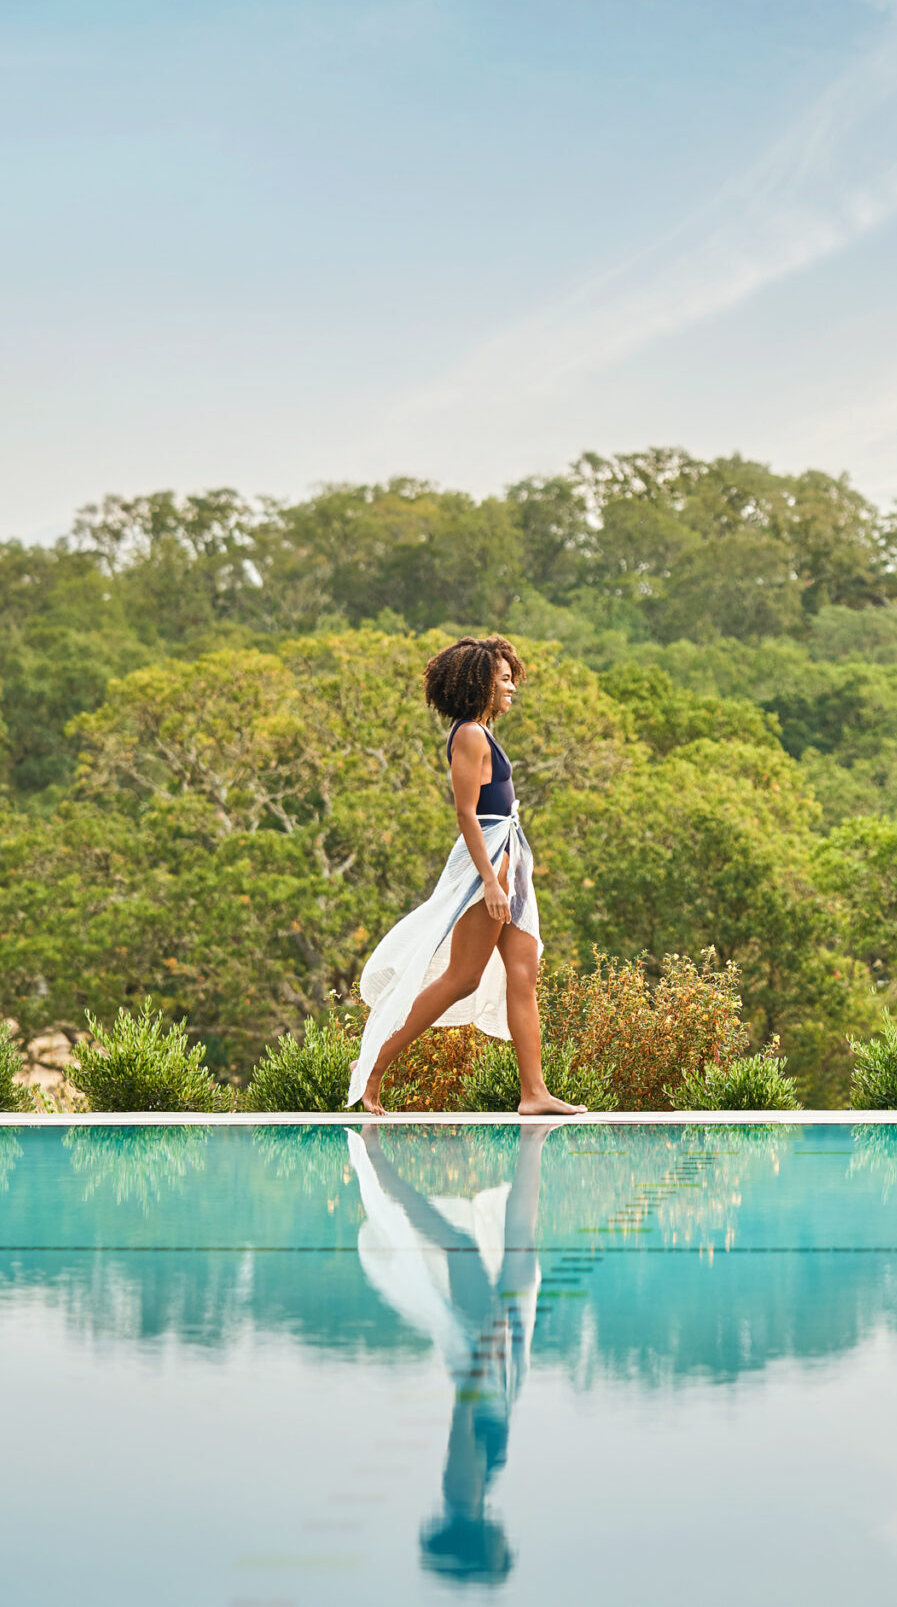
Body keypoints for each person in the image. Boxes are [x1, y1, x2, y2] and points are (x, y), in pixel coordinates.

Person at [350, 635, 584, 1116]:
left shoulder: (480, 731)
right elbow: (467, 815)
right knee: (462, 978)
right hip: (489, 865)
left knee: (523, 975)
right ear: (480, 683)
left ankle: (533, 1093)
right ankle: (372, 1068)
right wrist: (493, 882)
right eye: (503, 680)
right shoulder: (469, 736)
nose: (512, 687)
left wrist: (510, 875)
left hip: (508, 860)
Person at [349, 1121, 548, 1584]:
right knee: (511, 1243)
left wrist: (484, 1347)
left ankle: (384, 1172)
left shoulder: (462, 1498)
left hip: (485, 1361)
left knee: (465, 1247)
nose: (508, 1548)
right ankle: (531, 1145)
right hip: (494, 1368)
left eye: (500, 1557)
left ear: (479, 1548)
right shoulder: (472, 1500)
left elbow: (463, 1420)